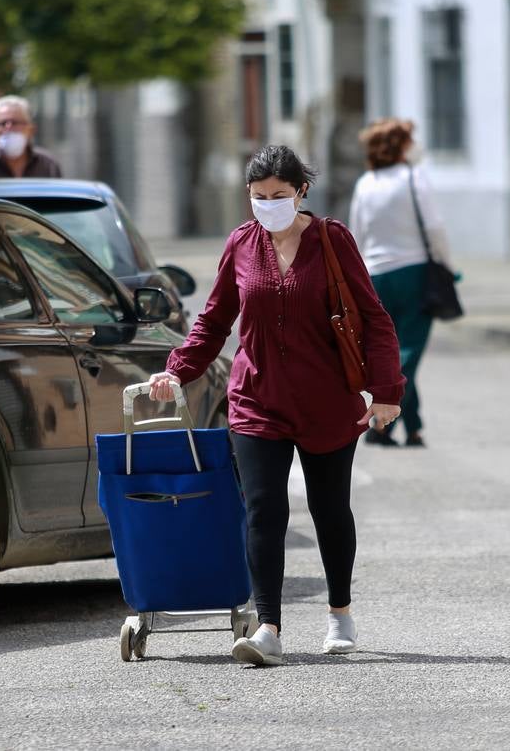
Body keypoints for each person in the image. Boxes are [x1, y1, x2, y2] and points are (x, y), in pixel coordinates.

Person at [149, 144, 404, 667]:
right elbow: (215, 319)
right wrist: (177, 369)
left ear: (301, 192)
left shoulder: (333, 241)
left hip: (326, 402)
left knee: (329, 509)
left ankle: (340, 612)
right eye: (259, 197)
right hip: (256, 398)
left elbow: (374, 319)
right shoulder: (242, 243)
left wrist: (386, 394)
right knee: (264, 510)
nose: (269, 205)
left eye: (279, 196)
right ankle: (268, 627)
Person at [349, 118, 454, 448]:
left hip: (375, 277)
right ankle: (381, 422)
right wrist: (447, 266)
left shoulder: (365, 183)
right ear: (402, 146)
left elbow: (357, 234)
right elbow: (435, 228)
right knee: (408, 352)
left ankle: (413, 428)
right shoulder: (413, 178)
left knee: (394, 354)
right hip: (414, 274)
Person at [0, 95, 62, 178]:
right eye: (2, 123)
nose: (8, 127)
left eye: (15, 122)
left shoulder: (49, 166)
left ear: (31, 130)